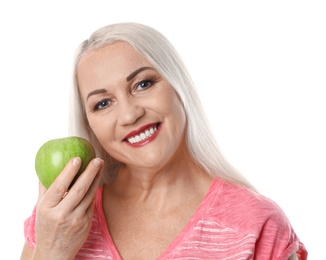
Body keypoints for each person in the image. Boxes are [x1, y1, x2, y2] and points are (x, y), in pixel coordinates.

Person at [21, 22, 307, 260]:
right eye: (103, 103)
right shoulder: (61, 215)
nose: (130, 115)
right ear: (89, 124)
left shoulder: (257, 225)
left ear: (178, 86)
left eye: (143, 84)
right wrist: (52, 250)